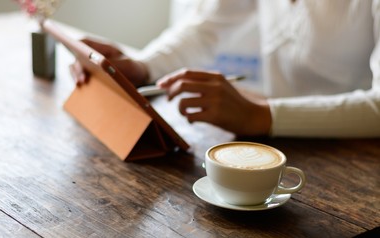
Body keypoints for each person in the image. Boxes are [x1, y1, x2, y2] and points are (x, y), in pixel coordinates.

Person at [71, 0, 380, 138]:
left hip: (358, 157)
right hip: (277, 145)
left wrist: (260, 115)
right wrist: (143, 66)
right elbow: (207, 27)